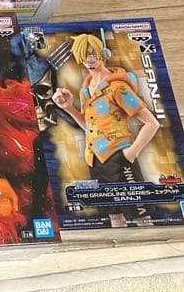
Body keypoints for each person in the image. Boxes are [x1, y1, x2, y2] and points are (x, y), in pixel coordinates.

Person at [52, 33, 160, 188]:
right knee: (107, 204)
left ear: (103, 53)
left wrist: (131, 154)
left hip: (119, 156)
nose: (88, 59)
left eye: (92, 53)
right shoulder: (85, 90)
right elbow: (90, 127)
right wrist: (69, 108)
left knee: (135, 203)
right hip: (94, 160)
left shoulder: (117, 88)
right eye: (84, 55)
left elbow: (152, 123)